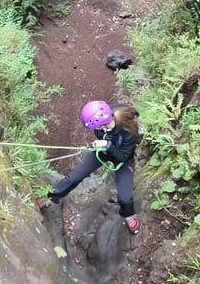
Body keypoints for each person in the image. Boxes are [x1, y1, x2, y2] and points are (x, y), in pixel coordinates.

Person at [39, 100, 142, 235]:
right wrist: (102, 146)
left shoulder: (128, 131)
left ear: (103, 123)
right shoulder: (103, 116)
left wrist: (107, 145)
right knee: (73, 177)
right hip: (103, 152)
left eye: (97, 127)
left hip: (123, 159)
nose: (96, 130)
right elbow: (102, 135)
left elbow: (122, 157)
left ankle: (129, 216)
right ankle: (52, 197)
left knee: (125, 198)